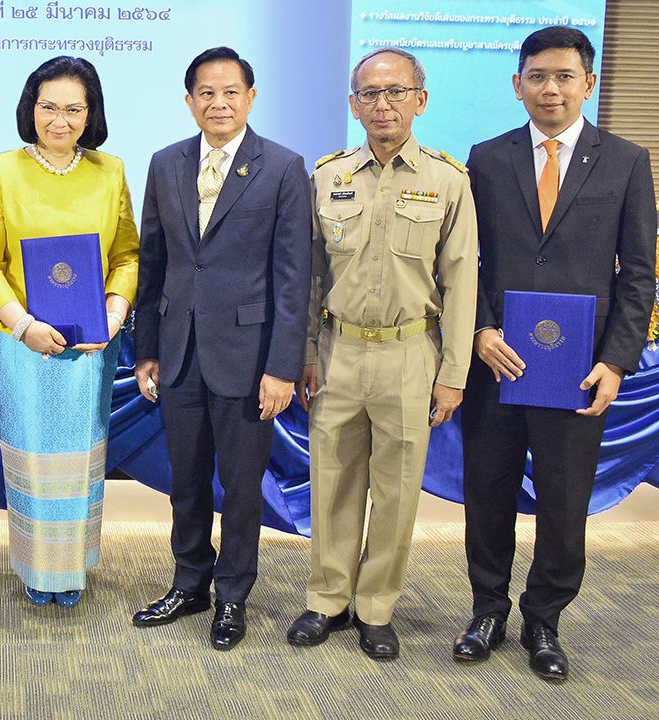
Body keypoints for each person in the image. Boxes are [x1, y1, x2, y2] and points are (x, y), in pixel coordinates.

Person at [454, 26, 656, 682]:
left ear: (588, 84)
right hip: (497, 363)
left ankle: (545, 618)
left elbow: (639, 275)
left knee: (565, 503)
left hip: (578, 371)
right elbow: (464, 263)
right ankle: (488, 609)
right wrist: (481, 330)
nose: (551, 88)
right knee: (486, 491)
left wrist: (618, 361)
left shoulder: (626, 161)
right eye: (537, 76)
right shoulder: (485, 158)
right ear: (517, 85)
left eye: (565, 76)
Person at [289, 47, 478, 660]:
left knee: (397, 488)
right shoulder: (328, 176)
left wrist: (452, 375)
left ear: (420, 100)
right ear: (353, 105)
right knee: (333, 481)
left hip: (409, 353)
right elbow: (310, 275)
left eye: (396, 92)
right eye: (370, 94)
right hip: (338, 349)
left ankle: (376, 608)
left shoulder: (447, 181)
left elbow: (461, 284)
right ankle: (327, 598)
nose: (383, 104)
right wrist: (305, 354)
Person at [131, 47, 311, 651]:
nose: (218, 103)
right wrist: (148, 350)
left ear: (250, 97)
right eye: (205, 93)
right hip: (179, 351)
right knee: (185, 479)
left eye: (230, 91)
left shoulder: (284, 167)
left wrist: (282, 367)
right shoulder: (165, 163)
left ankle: (233, 594)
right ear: (189, 101)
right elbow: (153, 263)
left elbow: (294, 276)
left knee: (240, 486)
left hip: (249, 356)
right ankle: (190, 582)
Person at [0, 56, 138, 608]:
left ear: (91, 114)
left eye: (73, 108)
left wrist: (111, 319)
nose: (59, 119)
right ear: (30, 109)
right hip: (24, 345)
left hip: (92, 345)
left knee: (82, 457)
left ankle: (74, 567)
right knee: (34, 459)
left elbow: (127, 255)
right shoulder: (0, 169)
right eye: (48, 107)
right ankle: (37, 569)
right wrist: (23, 326)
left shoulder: (110, 171)